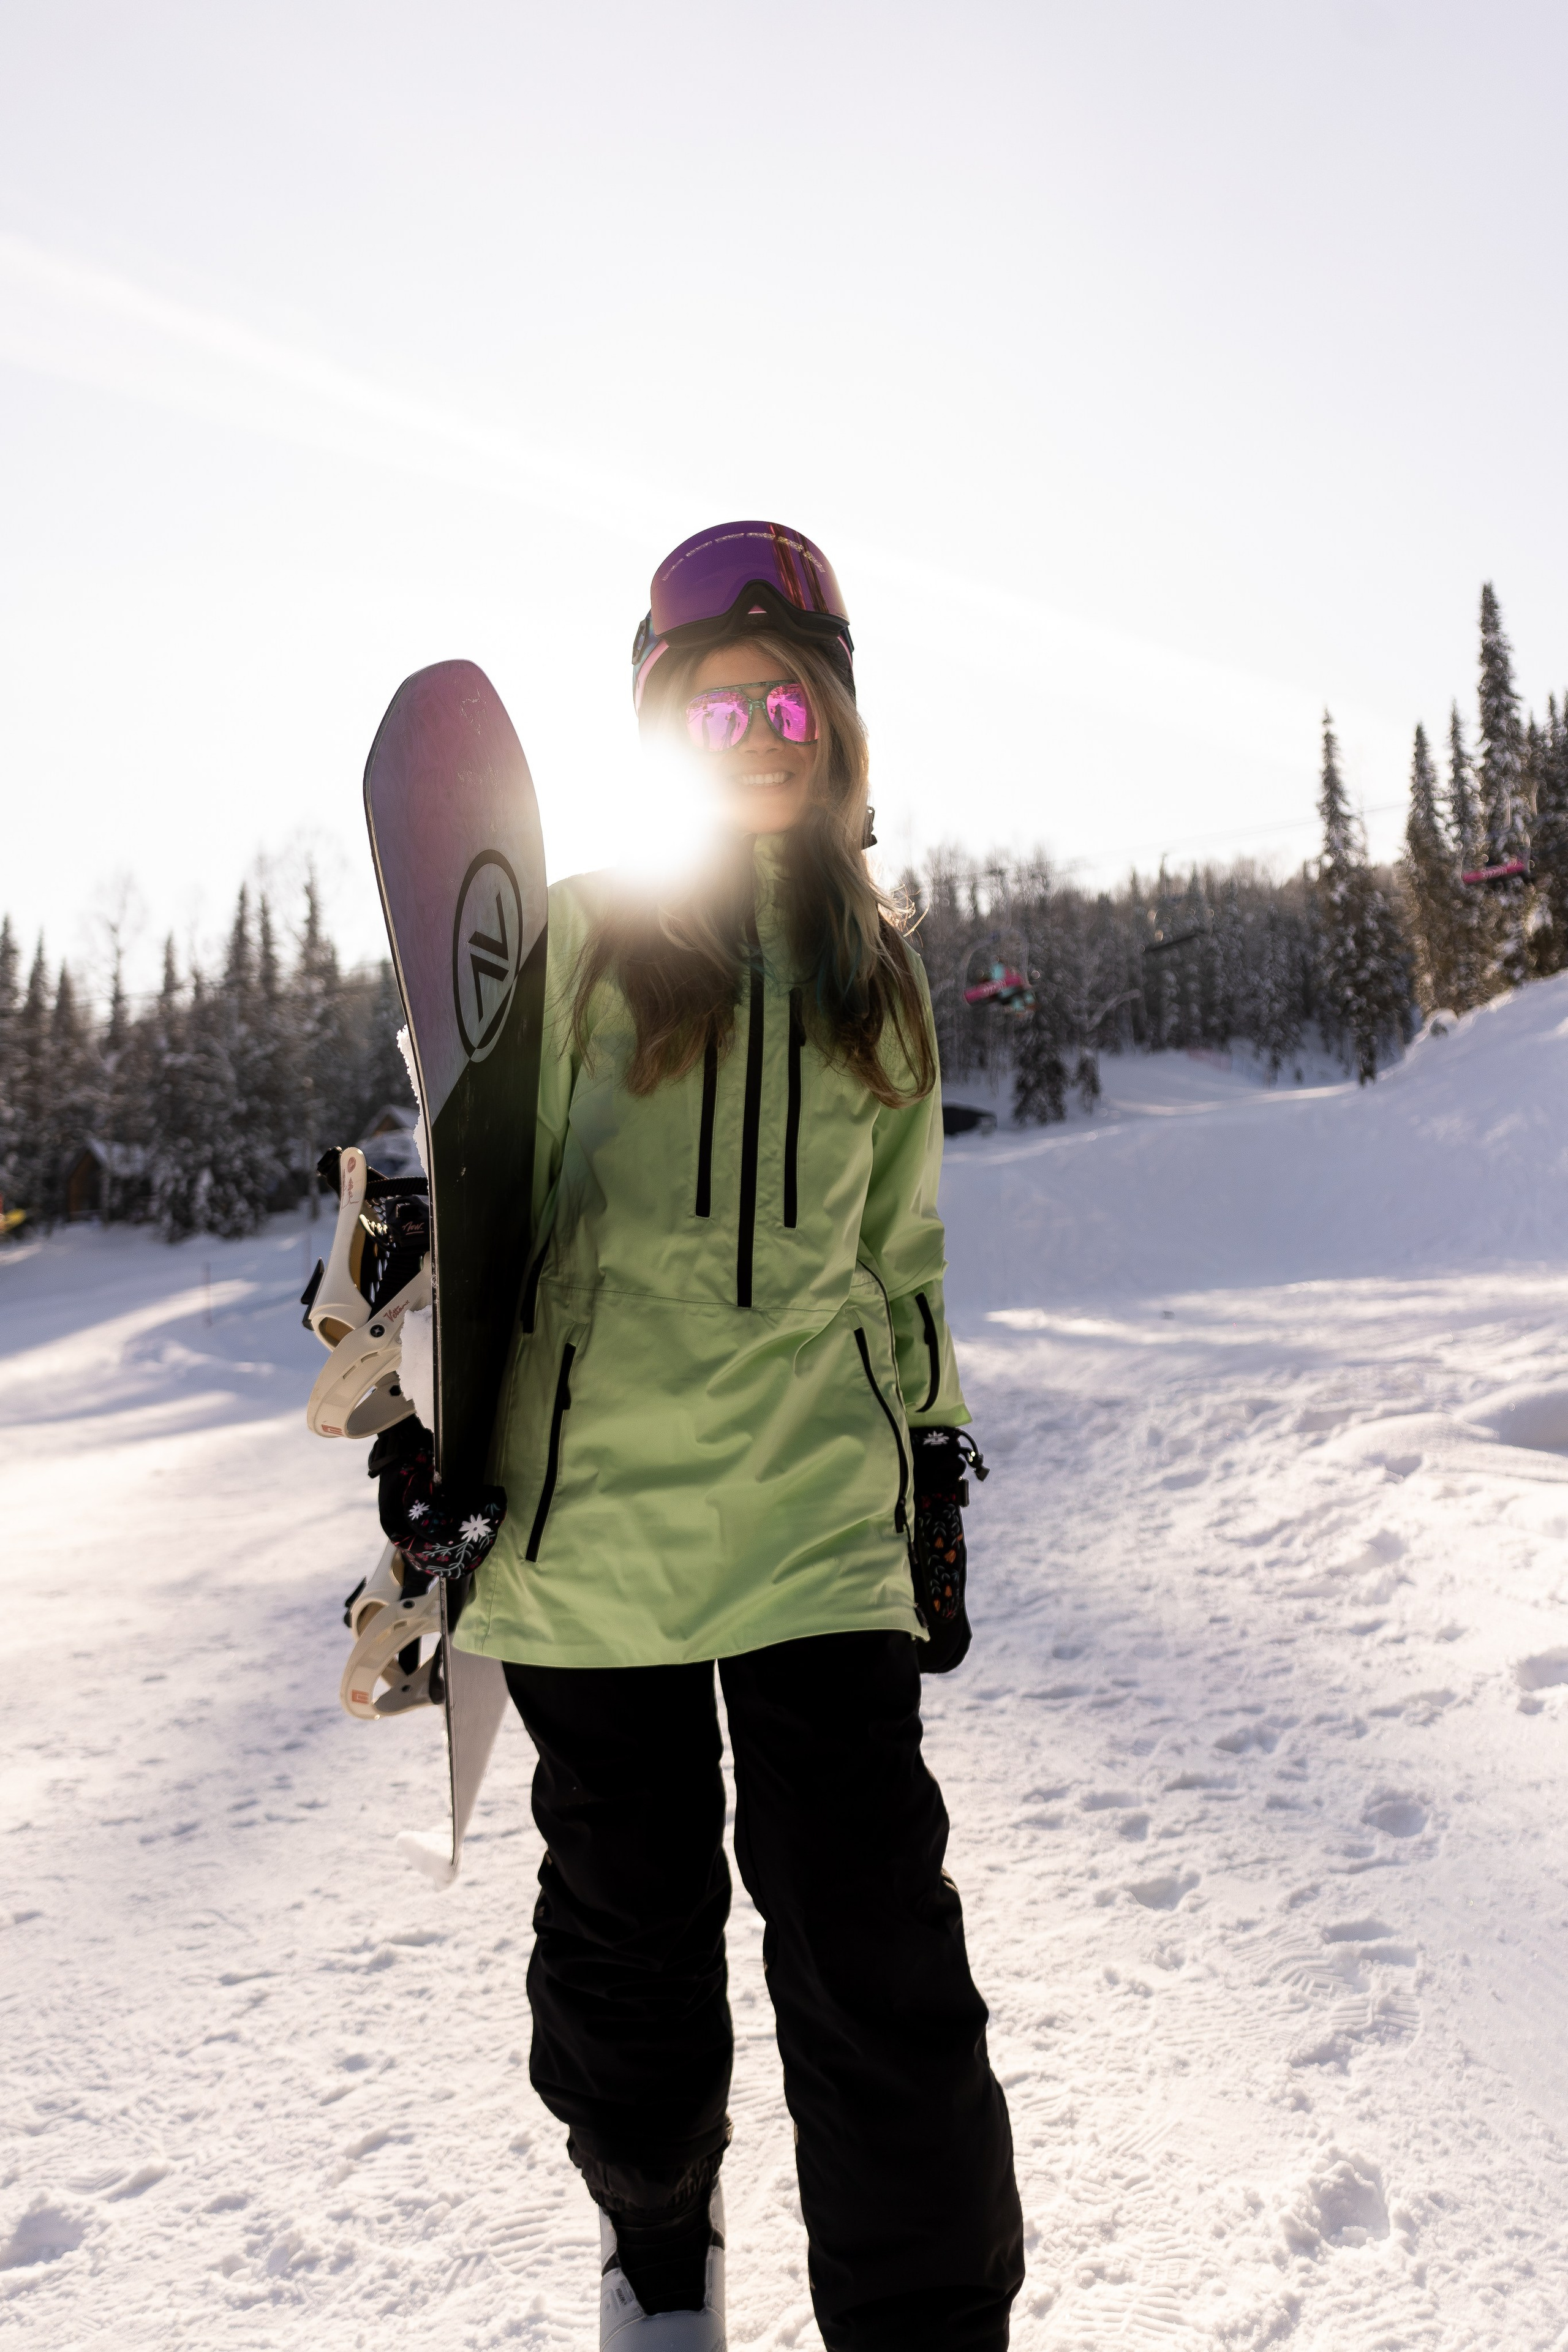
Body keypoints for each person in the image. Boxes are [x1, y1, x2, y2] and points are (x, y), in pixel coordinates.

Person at [381, 521, 1023, 2350]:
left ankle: (927, 2317)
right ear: (665, 729)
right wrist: (429, 1429)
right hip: (593, 1540)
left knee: (876, 1944)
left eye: (791, 704)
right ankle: (658, 2219)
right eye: (717, 702)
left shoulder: (877, 976)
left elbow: (900, 1265)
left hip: (820, 1526)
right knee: (629, 1929)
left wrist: (935, 1465)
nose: (756, 730)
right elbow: (468, 1208)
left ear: (838, 735)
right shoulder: (578, 941)